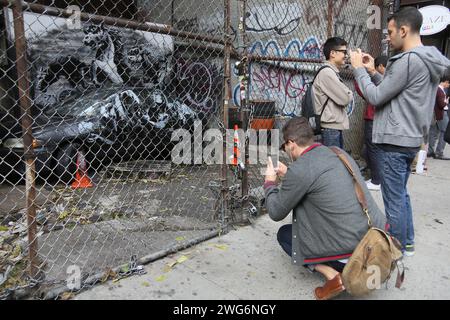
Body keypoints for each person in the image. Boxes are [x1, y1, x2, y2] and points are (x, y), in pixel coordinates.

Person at [350, 7, 450, 256]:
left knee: (393, 199)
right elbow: (393, 92)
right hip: (409, 139)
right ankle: (407, 243)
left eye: (391, 32)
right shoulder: (426, 60)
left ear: (404, 30)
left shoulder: (407, 60)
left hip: (394, 140)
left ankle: (393, 252)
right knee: (401, 195)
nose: (388, 37)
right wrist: (373, 71)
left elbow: (375, 97)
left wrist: (358, 70)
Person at [264, 117, 386, 300]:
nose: (286, 151)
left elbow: (275, 212)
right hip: (373, 241)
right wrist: (290, 174)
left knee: (285, 235)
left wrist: (270, 182)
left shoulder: (301, 168)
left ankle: (331, 273)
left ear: (291, 144)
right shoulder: (337, 152)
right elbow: (319, 184)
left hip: (351, 254)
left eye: (284, 147)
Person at [355, 56, 388, 191]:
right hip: (378, 118)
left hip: (373, 118)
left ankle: (377, 181)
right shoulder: (389, 80)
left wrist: (359, 72)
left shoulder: (378, 80)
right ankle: (378, 178)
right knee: (372, 149)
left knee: (373, 149)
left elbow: (364, 92)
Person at [313, 37, 354, 148]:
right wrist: (349, 93)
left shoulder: (331, 72)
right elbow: (345, 98)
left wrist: (347, 93)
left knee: (335, 162)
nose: (346, 55)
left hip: (332, 128)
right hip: (330, 129)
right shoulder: (327, 73)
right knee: (332, 163)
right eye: (343, 52)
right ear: (332, 53)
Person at [428, 69, 450, 160]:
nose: (448, 85)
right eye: (448, 83)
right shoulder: (440, 90)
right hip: (442, 113)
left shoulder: (435, 89)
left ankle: (430, 151)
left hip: (435, 114)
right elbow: (442, 104)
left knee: (433, 133)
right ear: (445, 82)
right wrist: (446, 101)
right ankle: (439, 152)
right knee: (444, 132)